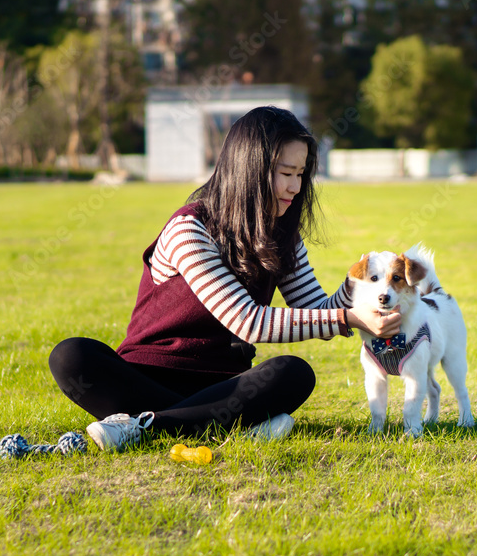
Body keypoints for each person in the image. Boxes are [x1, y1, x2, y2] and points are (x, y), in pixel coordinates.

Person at [49, 106, 401, 452]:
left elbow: (316, 309)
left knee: (294, 373)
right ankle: (224, 426)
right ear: (250, 168)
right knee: (71, 355)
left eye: (301, 174)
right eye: (286, 173)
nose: (295, 187)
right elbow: (248, 321)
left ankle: (146, 425)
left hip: (225, 386)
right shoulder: (189, 228)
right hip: (148, 376)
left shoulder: (283, 233)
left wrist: (362, 284)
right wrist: (348, 317)